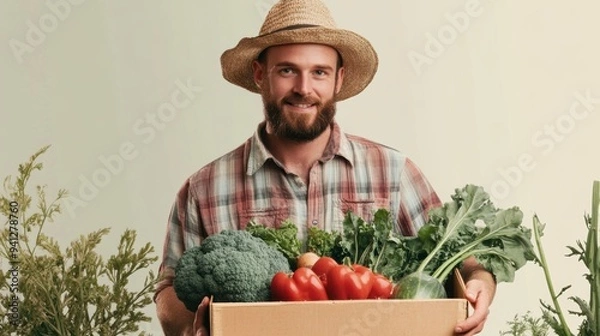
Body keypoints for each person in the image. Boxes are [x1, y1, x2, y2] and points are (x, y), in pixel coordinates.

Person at [154, 0, 496, 335]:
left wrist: (480, 283)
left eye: (319, 72)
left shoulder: (394, 173)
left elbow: (465, 261)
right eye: (287, 70)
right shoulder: (204, 188)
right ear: (260, 74)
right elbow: (169, 287)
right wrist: (189, 329)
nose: (304, 89)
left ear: (338, 79)